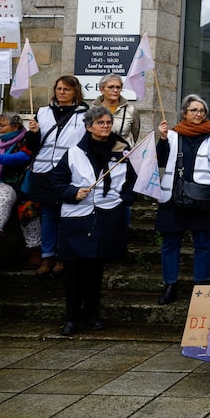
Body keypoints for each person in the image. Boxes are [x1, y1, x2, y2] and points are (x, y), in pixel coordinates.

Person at [50, 106, 136, 335]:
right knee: (73, 272)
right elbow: (56, 182)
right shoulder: (73, 153)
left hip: (106, 217)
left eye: (108, 122)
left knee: (95, 271)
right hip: (77, 220)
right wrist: (72, 192)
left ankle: (92, 315)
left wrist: (124, 199)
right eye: (100, 123)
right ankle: (71, 318)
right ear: (89, 127)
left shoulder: (122, 151)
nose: (106, 126)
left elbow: (132, 180)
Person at [155, 95, 210, 305]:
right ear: (184, 113)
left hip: (203, 198)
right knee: (170, 244)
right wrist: (162, 139)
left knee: (203, 244)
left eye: (202, 111)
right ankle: (170, 285)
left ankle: (201, 286)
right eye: (194, 110)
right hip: (173, 197)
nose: (198, 114)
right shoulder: (171, 134)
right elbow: (159, 160)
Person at [25, 75, 90, 276]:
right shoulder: (43, 112)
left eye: (66, 89)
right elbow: (32, 146)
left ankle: (63, 256)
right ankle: (47, 256)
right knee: (47, 216)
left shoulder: (85, 114)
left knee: (66, 215)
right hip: (43, 170)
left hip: (68, 172)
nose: (62, 92)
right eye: (59, 88)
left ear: (75, 92)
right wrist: (33, 133)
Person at [0, 112, 39, 267]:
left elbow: (22, 158)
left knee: (30, 207)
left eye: (2, 125)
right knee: (5, 194)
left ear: (16, 126)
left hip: (24, 184)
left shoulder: (27, 141)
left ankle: (34, 251)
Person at [93, 74, 141, 146]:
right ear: (102, 89)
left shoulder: (131, 110)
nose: (115, 90)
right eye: (111, 87)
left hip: (123, 150)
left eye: (118, 87)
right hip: (99, 150)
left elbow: (135, 134)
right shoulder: (93, 109)